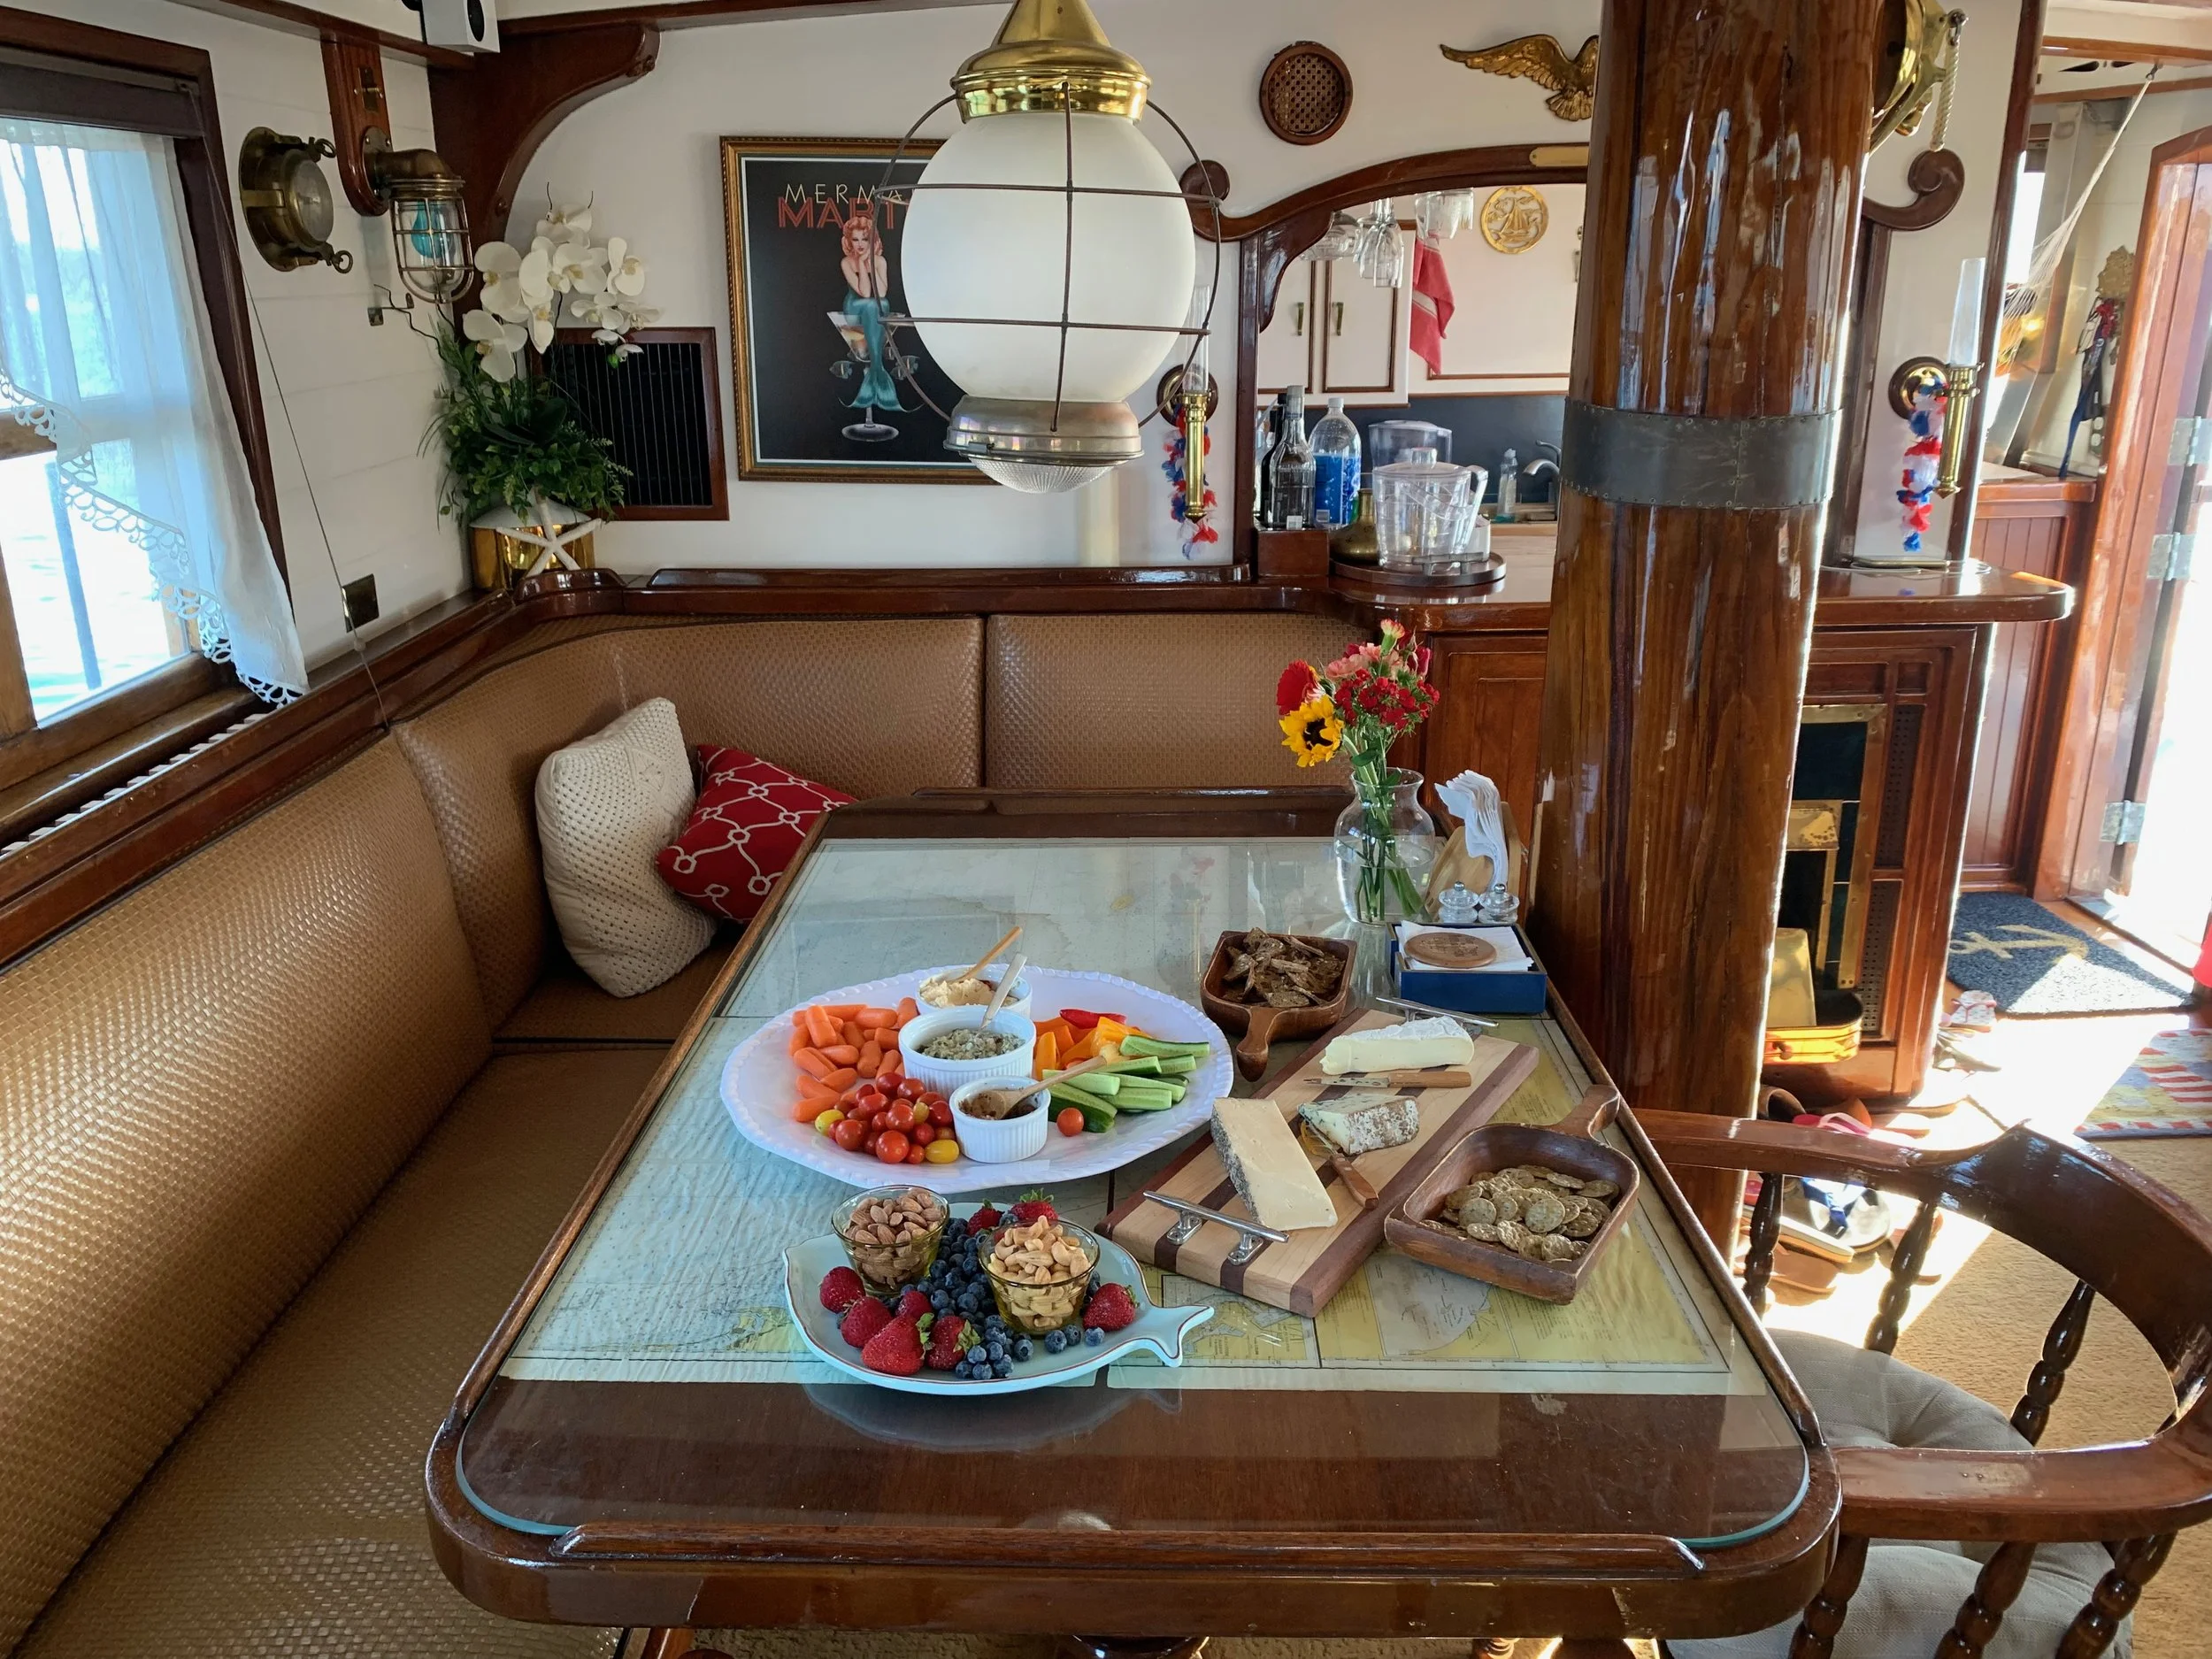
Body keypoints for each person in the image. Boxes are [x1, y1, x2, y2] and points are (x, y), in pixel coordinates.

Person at [838, 208, 906, 417]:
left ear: (872, 240)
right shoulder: (847, 262)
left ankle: (874, 372)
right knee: (874, 305)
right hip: (853, 309)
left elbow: (882, 292)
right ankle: (878, 367)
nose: (859, 244)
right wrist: (861, 262)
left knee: (882, 304)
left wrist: (872, 263)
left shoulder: (881, 261)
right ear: (849, 241)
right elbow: (865, 293)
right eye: (855, 239)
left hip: (875, 308)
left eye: (864, 240)